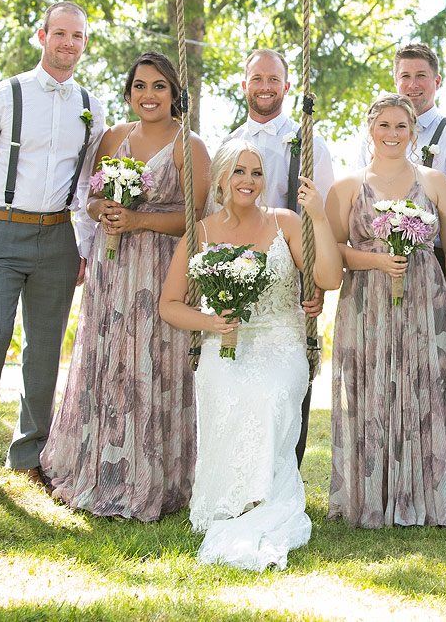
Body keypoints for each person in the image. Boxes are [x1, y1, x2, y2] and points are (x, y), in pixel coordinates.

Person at [0, 1, 106, 487]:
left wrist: (84, 249)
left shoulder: (90, 107)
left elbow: (86, 186)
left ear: (84, 43)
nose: (68, 43)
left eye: (77, 36)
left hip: (57, 238)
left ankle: (28, 456)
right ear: (42, 35)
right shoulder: (3, 96)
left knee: (45, 348)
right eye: (60, 34)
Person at [39, 52, 211, 520]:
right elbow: (89, 199)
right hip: (111, 269)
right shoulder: (113, 137)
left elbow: (197, 220)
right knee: (110, 358)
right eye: (139, 85)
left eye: (158, 86)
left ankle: (155, 475)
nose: (148, 95)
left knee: (152, 364)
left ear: (175, 93)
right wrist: (107, 213)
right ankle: (99, 464)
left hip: (161, 269)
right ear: (129, 91)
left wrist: (140, 218)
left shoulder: (189, 144)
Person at [160, 140, 342, 570]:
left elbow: (330, 277)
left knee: (267, 392)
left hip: (282, 340)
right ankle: (231, 497)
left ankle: (260, 499)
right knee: (225, 384)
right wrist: (212, 323)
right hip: (222, 340)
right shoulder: (200, 231)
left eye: (256, 173)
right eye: (239, 171)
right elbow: (170, 304)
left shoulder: (286, 222)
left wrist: (316, 214)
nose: (248, 180)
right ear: (221, 176)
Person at [326, 93, 446, 528]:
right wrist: (375, 260)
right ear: (370, 129)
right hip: (367, 301)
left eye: (401, 127)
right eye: (384, 125)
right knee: (372, 389)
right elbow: (334, 251)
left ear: (413, 132)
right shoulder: (348, 186)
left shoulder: (434, 182)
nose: (392, 134)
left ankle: (428, 496)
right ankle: (373, 494)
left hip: (425, 299)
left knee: (426, 387)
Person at [223, 48, 335, 466]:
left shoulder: (310, 145)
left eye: (274, 80)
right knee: (240, 375)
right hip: (237, 276)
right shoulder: (229, 143)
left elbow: (324, 222)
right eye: (257, 79)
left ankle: (287, 472)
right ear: (244, 84)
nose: (265, 87)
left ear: (287, 86)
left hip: (292, 281)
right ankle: (241, 470)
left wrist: (318, 285)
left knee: (290, 377)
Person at [358, 43, 446, 273]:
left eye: (421, 76)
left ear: (437, 81)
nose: (413, 84)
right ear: (396, 81)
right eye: (405, 76)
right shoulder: (373, 138)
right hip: (376, 266)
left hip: (435, 265)